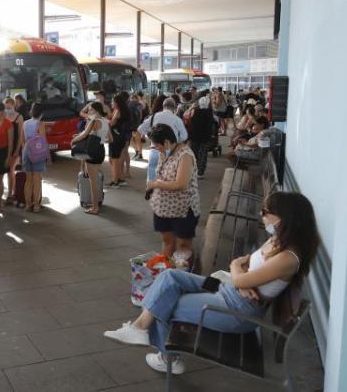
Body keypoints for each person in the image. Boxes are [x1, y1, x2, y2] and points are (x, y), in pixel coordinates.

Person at [104, 192, 319, 375]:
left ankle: (168, 359)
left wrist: (239, 274)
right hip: (230, 291)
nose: (261, 216)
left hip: (238, 310)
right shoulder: (278, 241)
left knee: (167, 301)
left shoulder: (288, 258)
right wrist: (241, 279)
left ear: (285, 218)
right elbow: (245, 266)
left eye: (266, 212)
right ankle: (140, 328)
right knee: (170, 277)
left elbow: (240, 268)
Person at [145, 124, 200, 266]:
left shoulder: (185, 155)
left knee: (183, 246)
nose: (156, 148)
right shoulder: (164, 152)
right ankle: (166, 271)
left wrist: (155, 184)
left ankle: (184, 273)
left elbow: (181, 184)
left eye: (157, 145)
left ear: (167, 142)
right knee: (167, 240)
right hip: (163, 207)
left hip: (182, 209)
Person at [71, 101, 111, 215]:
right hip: (101, 151)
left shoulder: (93, 121)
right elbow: (109, 139)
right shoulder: (106, 121)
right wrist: (98, 137)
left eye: (90, 110)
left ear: (96, 110)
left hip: (92, 151)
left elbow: (84, 134)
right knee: (95, 179)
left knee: (93, 182)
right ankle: (97, 202)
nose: (88, 112)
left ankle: (95, 207)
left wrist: (73, 141)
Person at [138, 97, 188, 183]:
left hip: (155, 149)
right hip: (170, 152)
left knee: (152, 176)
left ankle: (151, 189)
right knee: (167, 177)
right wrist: (174, 141)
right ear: (174, 108)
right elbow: (184, 136)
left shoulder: (154, 117)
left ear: (163, 106)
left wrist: (152, 136)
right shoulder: (177, 119)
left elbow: (140, 129)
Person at [21, 102, 47, 212]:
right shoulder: (40, 124)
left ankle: (27, 205)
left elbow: (22, 140)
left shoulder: (25, 123)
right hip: (37, 153)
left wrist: (27, 149)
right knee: (37, 180)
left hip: (26, 151)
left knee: (28, 180)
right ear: (42, 113)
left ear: (31, 111)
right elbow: (43, 140)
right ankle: (36, 205)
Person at [189, 96, 216, 179]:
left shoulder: (194, 111)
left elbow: (190, 121)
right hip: (206, 137)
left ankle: (193, 171)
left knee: (194, 154)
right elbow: (213, 124)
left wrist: (191, 108)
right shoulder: (210, 112)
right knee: (203, 154)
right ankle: (200, 172)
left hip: (194, 136)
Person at [4, 97, 24, 204]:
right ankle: (12, 191)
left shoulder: (19, 117)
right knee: (8, 171)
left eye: (9, 107)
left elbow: (20, 135)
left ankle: (10, 194)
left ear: (13, 105)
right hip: (5, 147)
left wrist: (17, 150)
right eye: (6, 107)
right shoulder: (4, 116)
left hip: (15, 147)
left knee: (10, 170)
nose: (7, 109)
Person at [107, 92, 130, 188]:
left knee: (114, 160)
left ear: (117, 103)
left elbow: (111, 124)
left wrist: (102, 120)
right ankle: (120, 179)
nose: (111, 103)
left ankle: (115, 181)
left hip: (115, 138)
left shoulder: (118, 111)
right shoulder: (123, 110)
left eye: (112, 101)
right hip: (120, 137)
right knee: (114, 160)